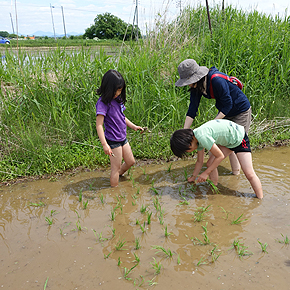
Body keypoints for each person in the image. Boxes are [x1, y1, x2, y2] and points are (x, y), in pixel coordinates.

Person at [175, 59, 252, 175]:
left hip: (240, 110)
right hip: (225, 112)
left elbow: (228, 104)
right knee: (224, 141)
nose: (188, 84)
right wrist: (184, 132)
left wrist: (213, 123)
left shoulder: (216, 80)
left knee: (235, 143)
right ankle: (234, 174)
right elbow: (192, 109)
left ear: (196, 77)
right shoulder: (196, 87)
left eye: (188, 81)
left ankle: (236, 175)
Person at [170, 119, 263, 199]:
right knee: (210, 164)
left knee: (249, 174)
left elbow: (220, 156)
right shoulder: (196, 139)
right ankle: (214, 186)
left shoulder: (202, 137)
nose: (188, 153)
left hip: (239, 137)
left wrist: (206, 173)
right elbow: (200, 161)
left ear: (188, 144)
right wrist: (193, 177)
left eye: (186, 151)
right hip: (229, 141)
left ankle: (260, 199)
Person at [96, 69, 143, 187]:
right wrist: (104, 144)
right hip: (113, 140)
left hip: (122, 137)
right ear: (108, 88)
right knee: (115, 168)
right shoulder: (103, 103)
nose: (117, 93)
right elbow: (99, 125)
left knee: (130, 161)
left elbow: (121, 117)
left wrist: (133, 126)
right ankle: (114, 192)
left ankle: (119, 175)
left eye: (120, 91)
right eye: (116, 91)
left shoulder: (117, 100)